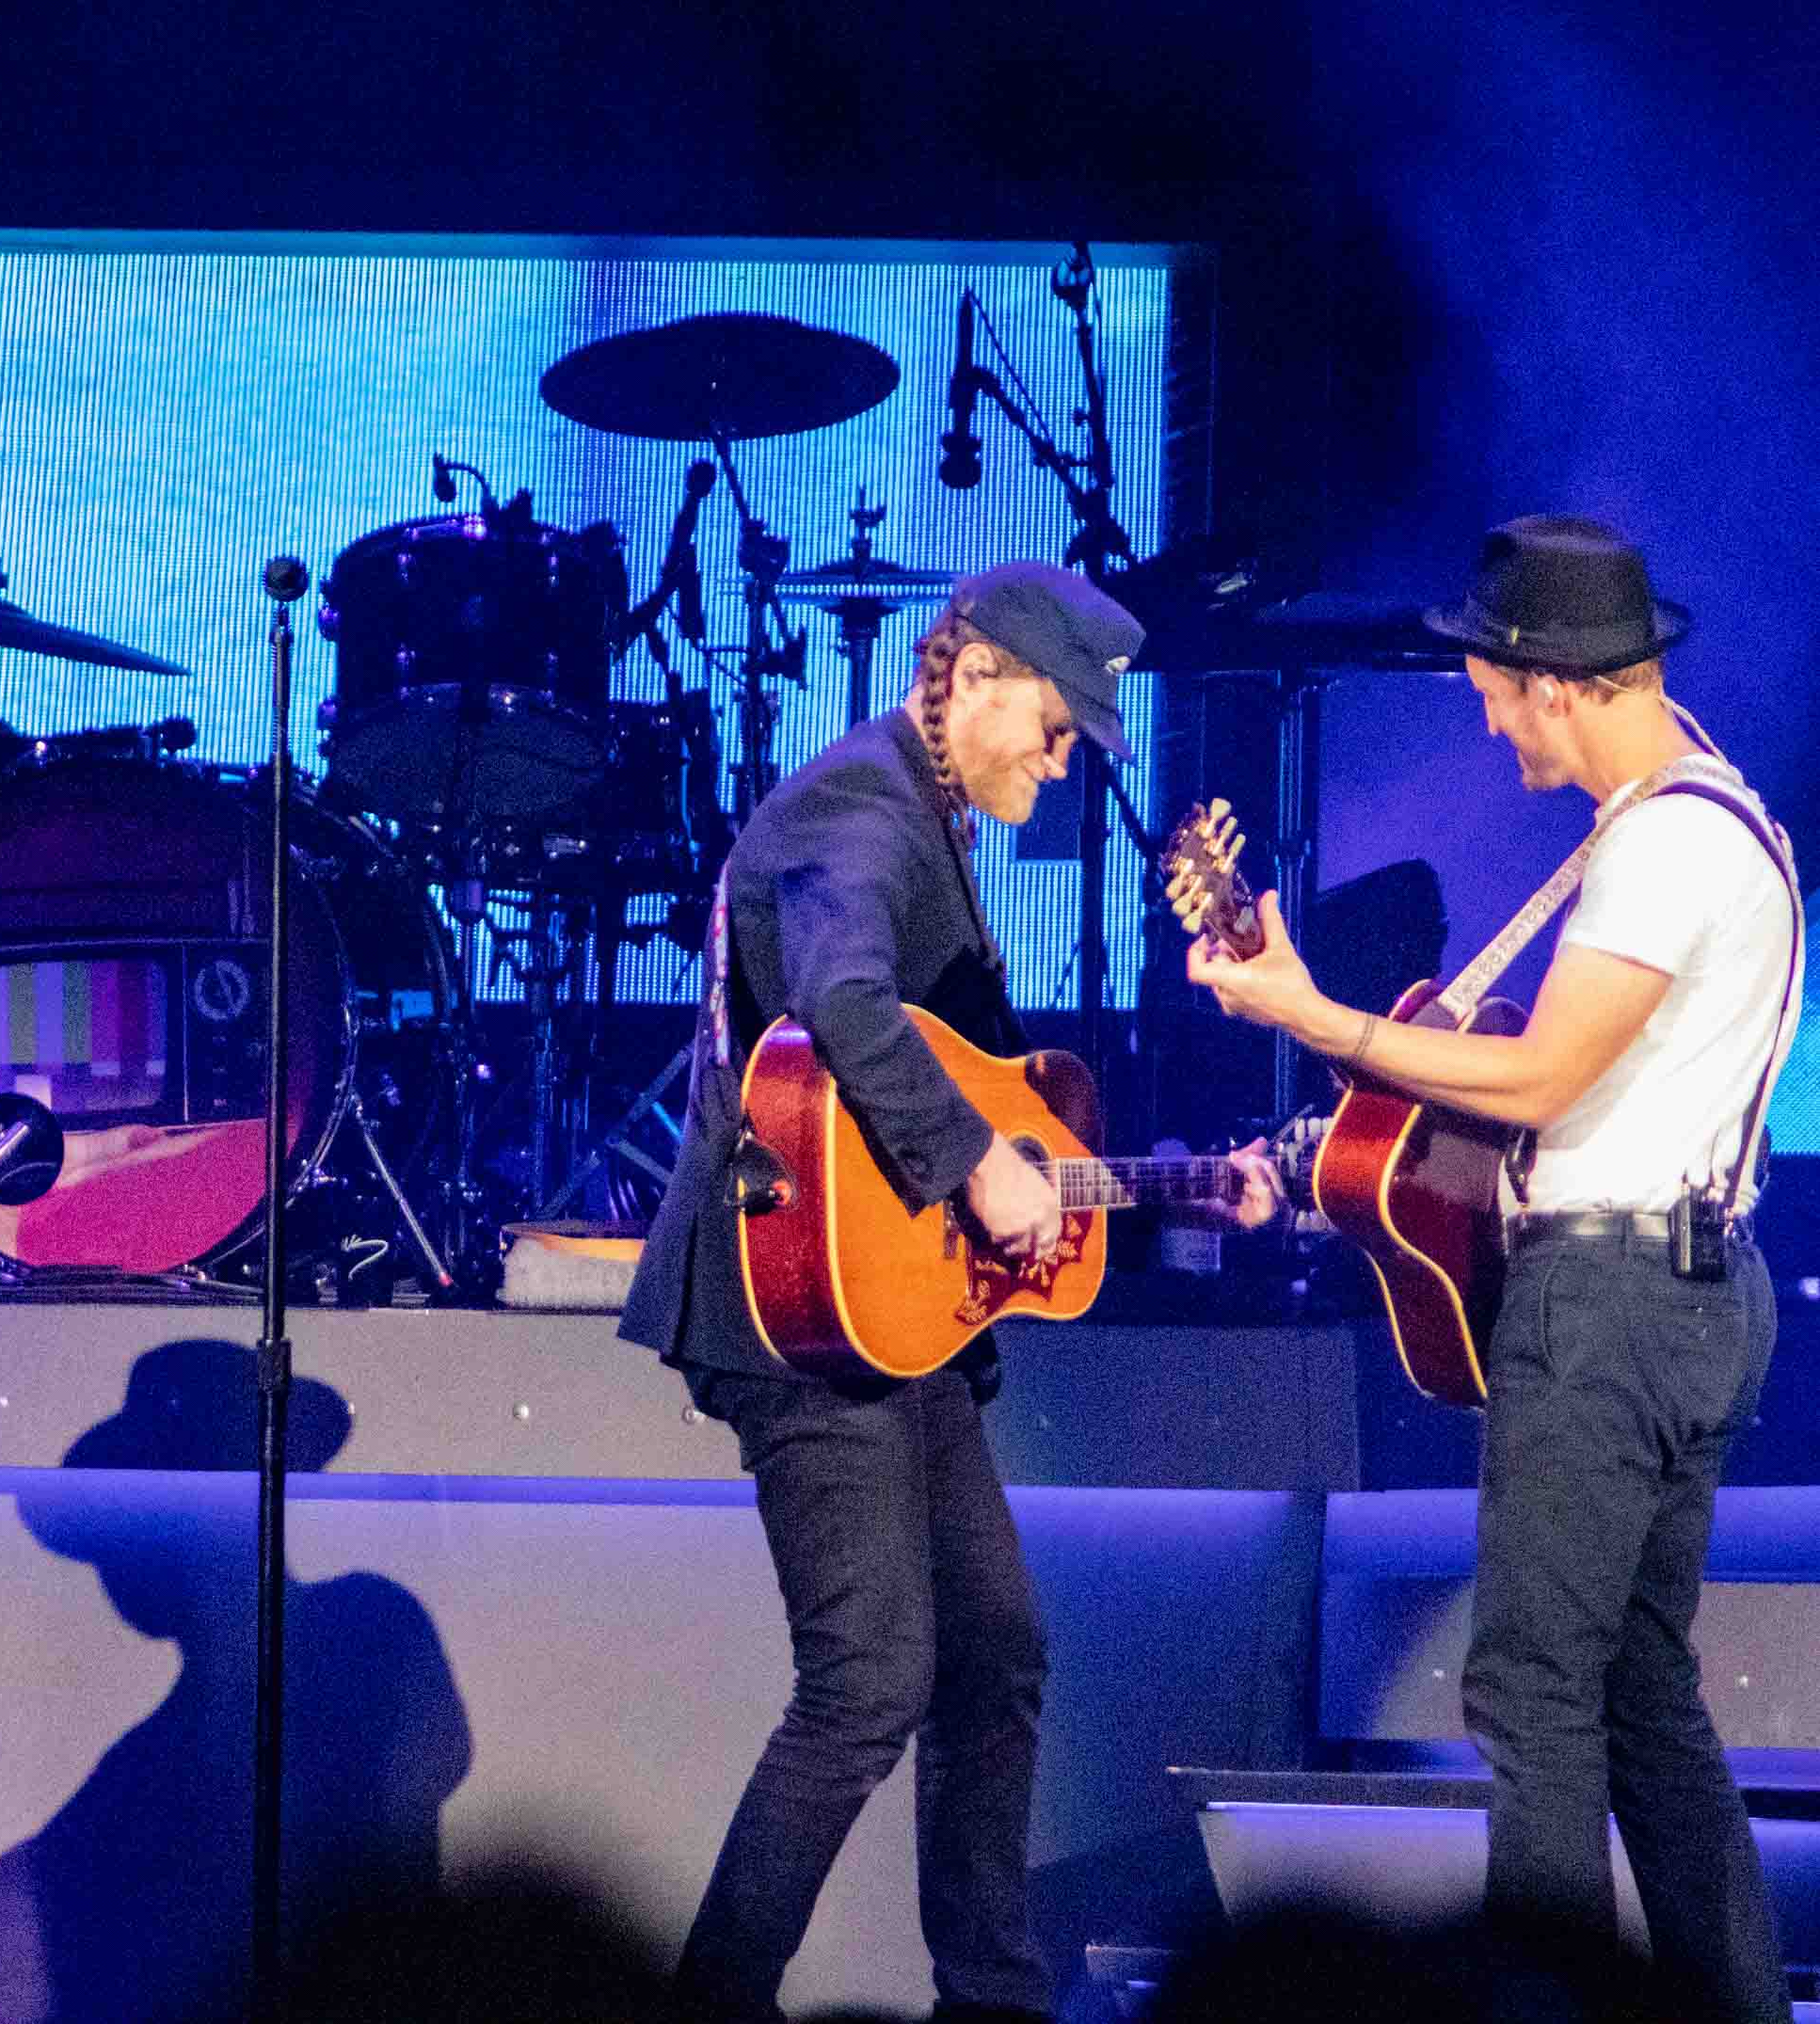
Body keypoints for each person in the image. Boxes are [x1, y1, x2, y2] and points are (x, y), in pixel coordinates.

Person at [619, 561, 1280, 2024]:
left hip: (891, 1312)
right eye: (1052, 725)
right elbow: (845, 1004)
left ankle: (992, 2001)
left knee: (998, 1653)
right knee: (867, 1682)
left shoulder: (926, 806)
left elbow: (979, 1077)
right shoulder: (860, 807)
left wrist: (1170, 1180)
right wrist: (978, 1167)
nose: (1062, 758)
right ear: (972, 674)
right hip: (793, 1303)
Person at [1185, 515, 1802, 2022]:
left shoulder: (1665, 846)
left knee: (1530, 1695)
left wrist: (1314, 1018)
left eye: (1488, 687)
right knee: (1643, 1696)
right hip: (1684, 1292)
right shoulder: (1705, 824)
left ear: (1558, 683)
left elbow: (1537, 1085)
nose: (1478, 714)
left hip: (1608, 1310)